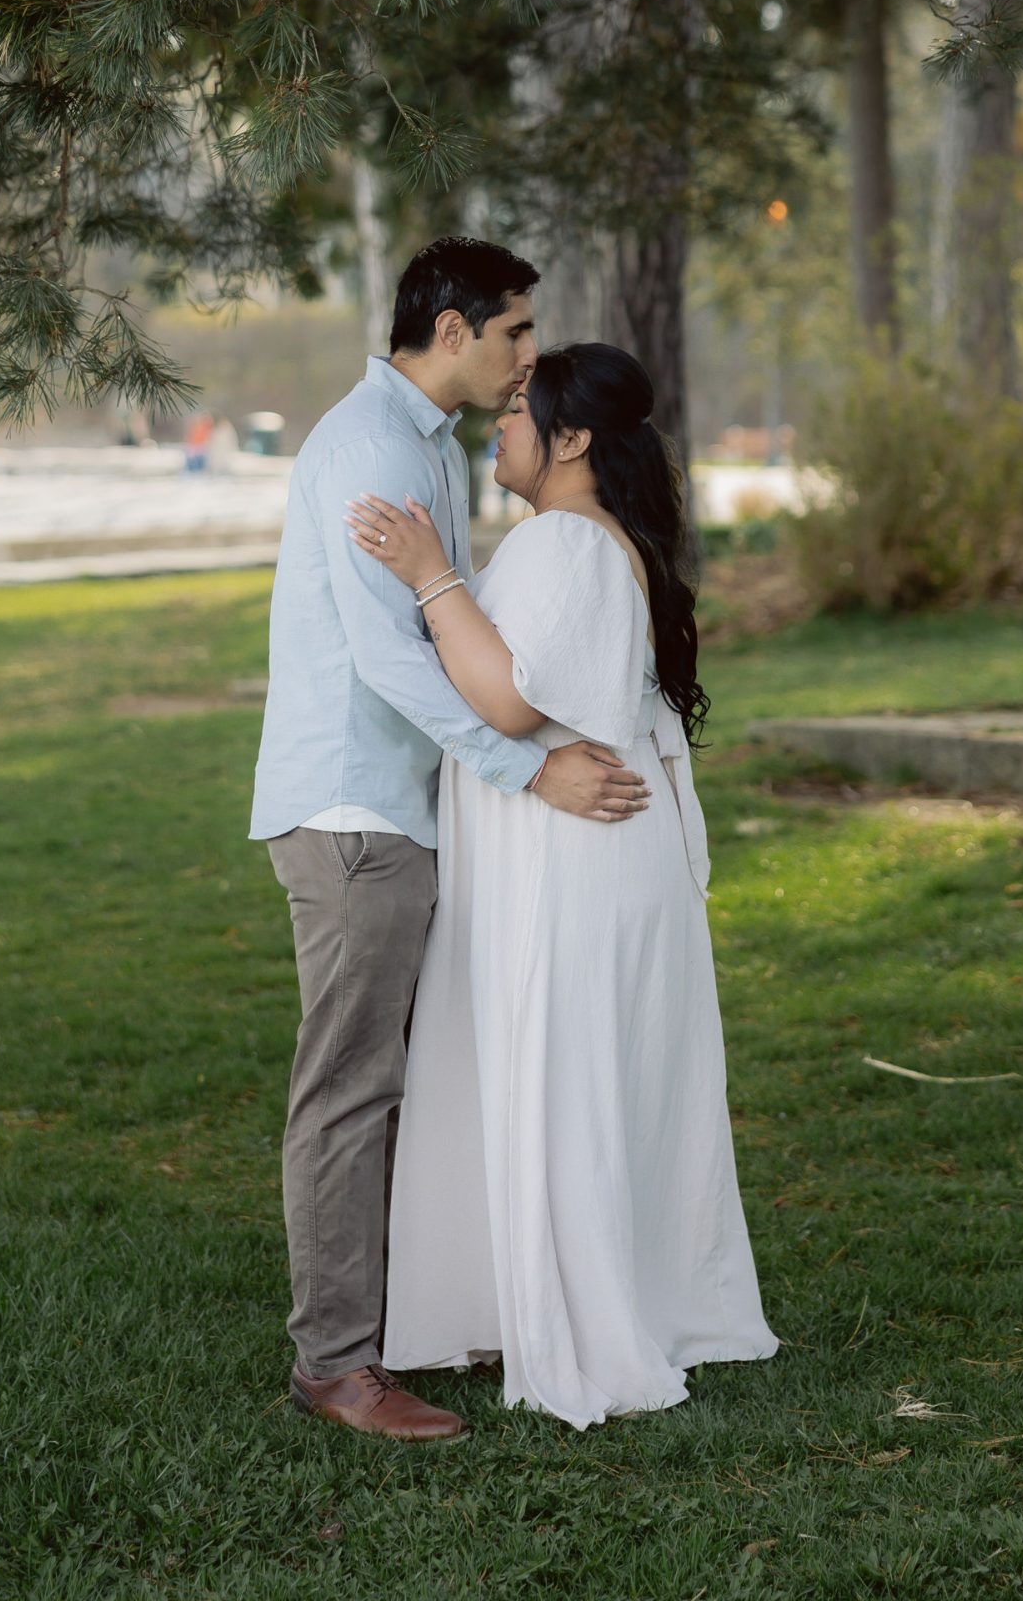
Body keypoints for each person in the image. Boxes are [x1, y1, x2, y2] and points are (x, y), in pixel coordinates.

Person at [250, 242, 652, 1445]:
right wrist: (528, 768)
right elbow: (390, 657)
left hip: (400, 807)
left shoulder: (427, 443)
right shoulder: (371, 450)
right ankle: (336, 1367)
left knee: (391, 1084)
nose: (529, 354)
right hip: (354, 811)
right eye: (516, 330)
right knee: (349, 1089)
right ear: (454, 329)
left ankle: (402, 1323)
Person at [347, 342, 779, 1429]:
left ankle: (580, 1313)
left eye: (521, 410)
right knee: (595, 1075)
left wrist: (430, 576)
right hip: (596, 844)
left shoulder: (564, 541)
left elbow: (506, 701)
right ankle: (596, 1291)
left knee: (565, 1071)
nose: (500, 421)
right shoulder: (598, 537)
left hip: (575, 857)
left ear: (572, 438)